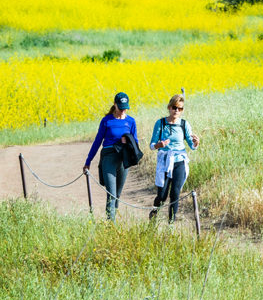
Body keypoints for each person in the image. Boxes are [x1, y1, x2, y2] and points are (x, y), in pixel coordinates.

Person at [84, 91, 139, 220]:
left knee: (118, 194)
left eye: (125, 109)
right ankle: (111, 226)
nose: (123, 111)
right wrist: (88, 161)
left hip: (123, 159)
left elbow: (135, 143)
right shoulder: (106, 121)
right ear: (115, 105)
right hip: (108, 157)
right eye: (120, 108)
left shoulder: (131, 121)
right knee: (111, 194)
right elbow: (97, 141)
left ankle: (112, 218)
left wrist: (128, 141)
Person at [148, 94, 199, 222]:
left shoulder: (184, 124)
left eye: (180, 109)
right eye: (175, 107)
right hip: (165, 161)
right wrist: (159, 145)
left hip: (179, 161)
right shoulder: (160, 123)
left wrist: (196, 143)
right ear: (169, 107)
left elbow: (191, 145)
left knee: (175, 193)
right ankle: (154, 214)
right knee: (162, 195)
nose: (177, 111)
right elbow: (152, 145)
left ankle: (171, 224)